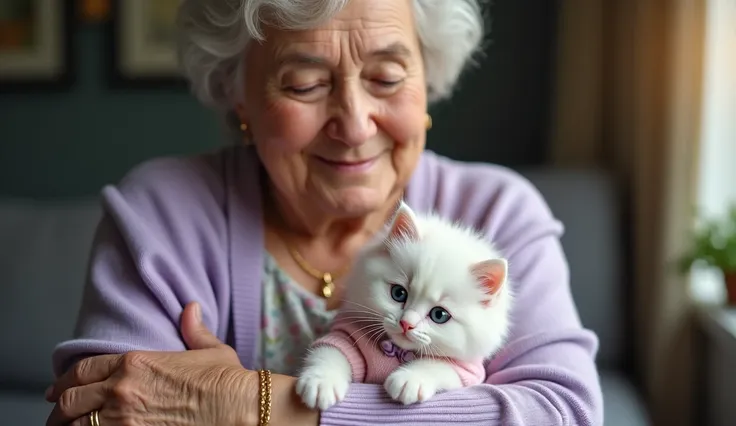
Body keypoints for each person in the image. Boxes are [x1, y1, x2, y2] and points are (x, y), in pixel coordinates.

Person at [45, 0, 603, 425]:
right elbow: (101, 411)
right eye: (306, 83)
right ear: (240, 96)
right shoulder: (163, 211)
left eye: (386, 77)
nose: (355, 124)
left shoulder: (496, 214)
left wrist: (251, 404)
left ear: (426, 84)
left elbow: (565, 411)